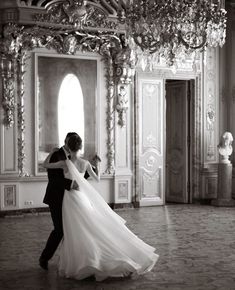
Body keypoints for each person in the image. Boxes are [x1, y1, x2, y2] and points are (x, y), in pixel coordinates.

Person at [43, 134, 159, 281]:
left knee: (76, 229)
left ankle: (87, 260)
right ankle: (80, 258)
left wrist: (52, 154)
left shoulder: (65, 162)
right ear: (79, 146)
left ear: (67, 143)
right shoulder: (79, 161)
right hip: (70, 198)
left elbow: (50, 167)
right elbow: (59, 179)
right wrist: (94, 166)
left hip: (72, 199)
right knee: (73, 229)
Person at [39, 132, 81, 270]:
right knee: (60, 229)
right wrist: (70, 184)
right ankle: (44, 258)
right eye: (72, 143)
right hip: (56, 197)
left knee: (71, 229)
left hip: (70, 199)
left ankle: (70, 260)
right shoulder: (57, 155)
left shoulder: (73, 156)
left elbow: (77, 176)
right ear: (66, 141)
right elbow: (54, 179)